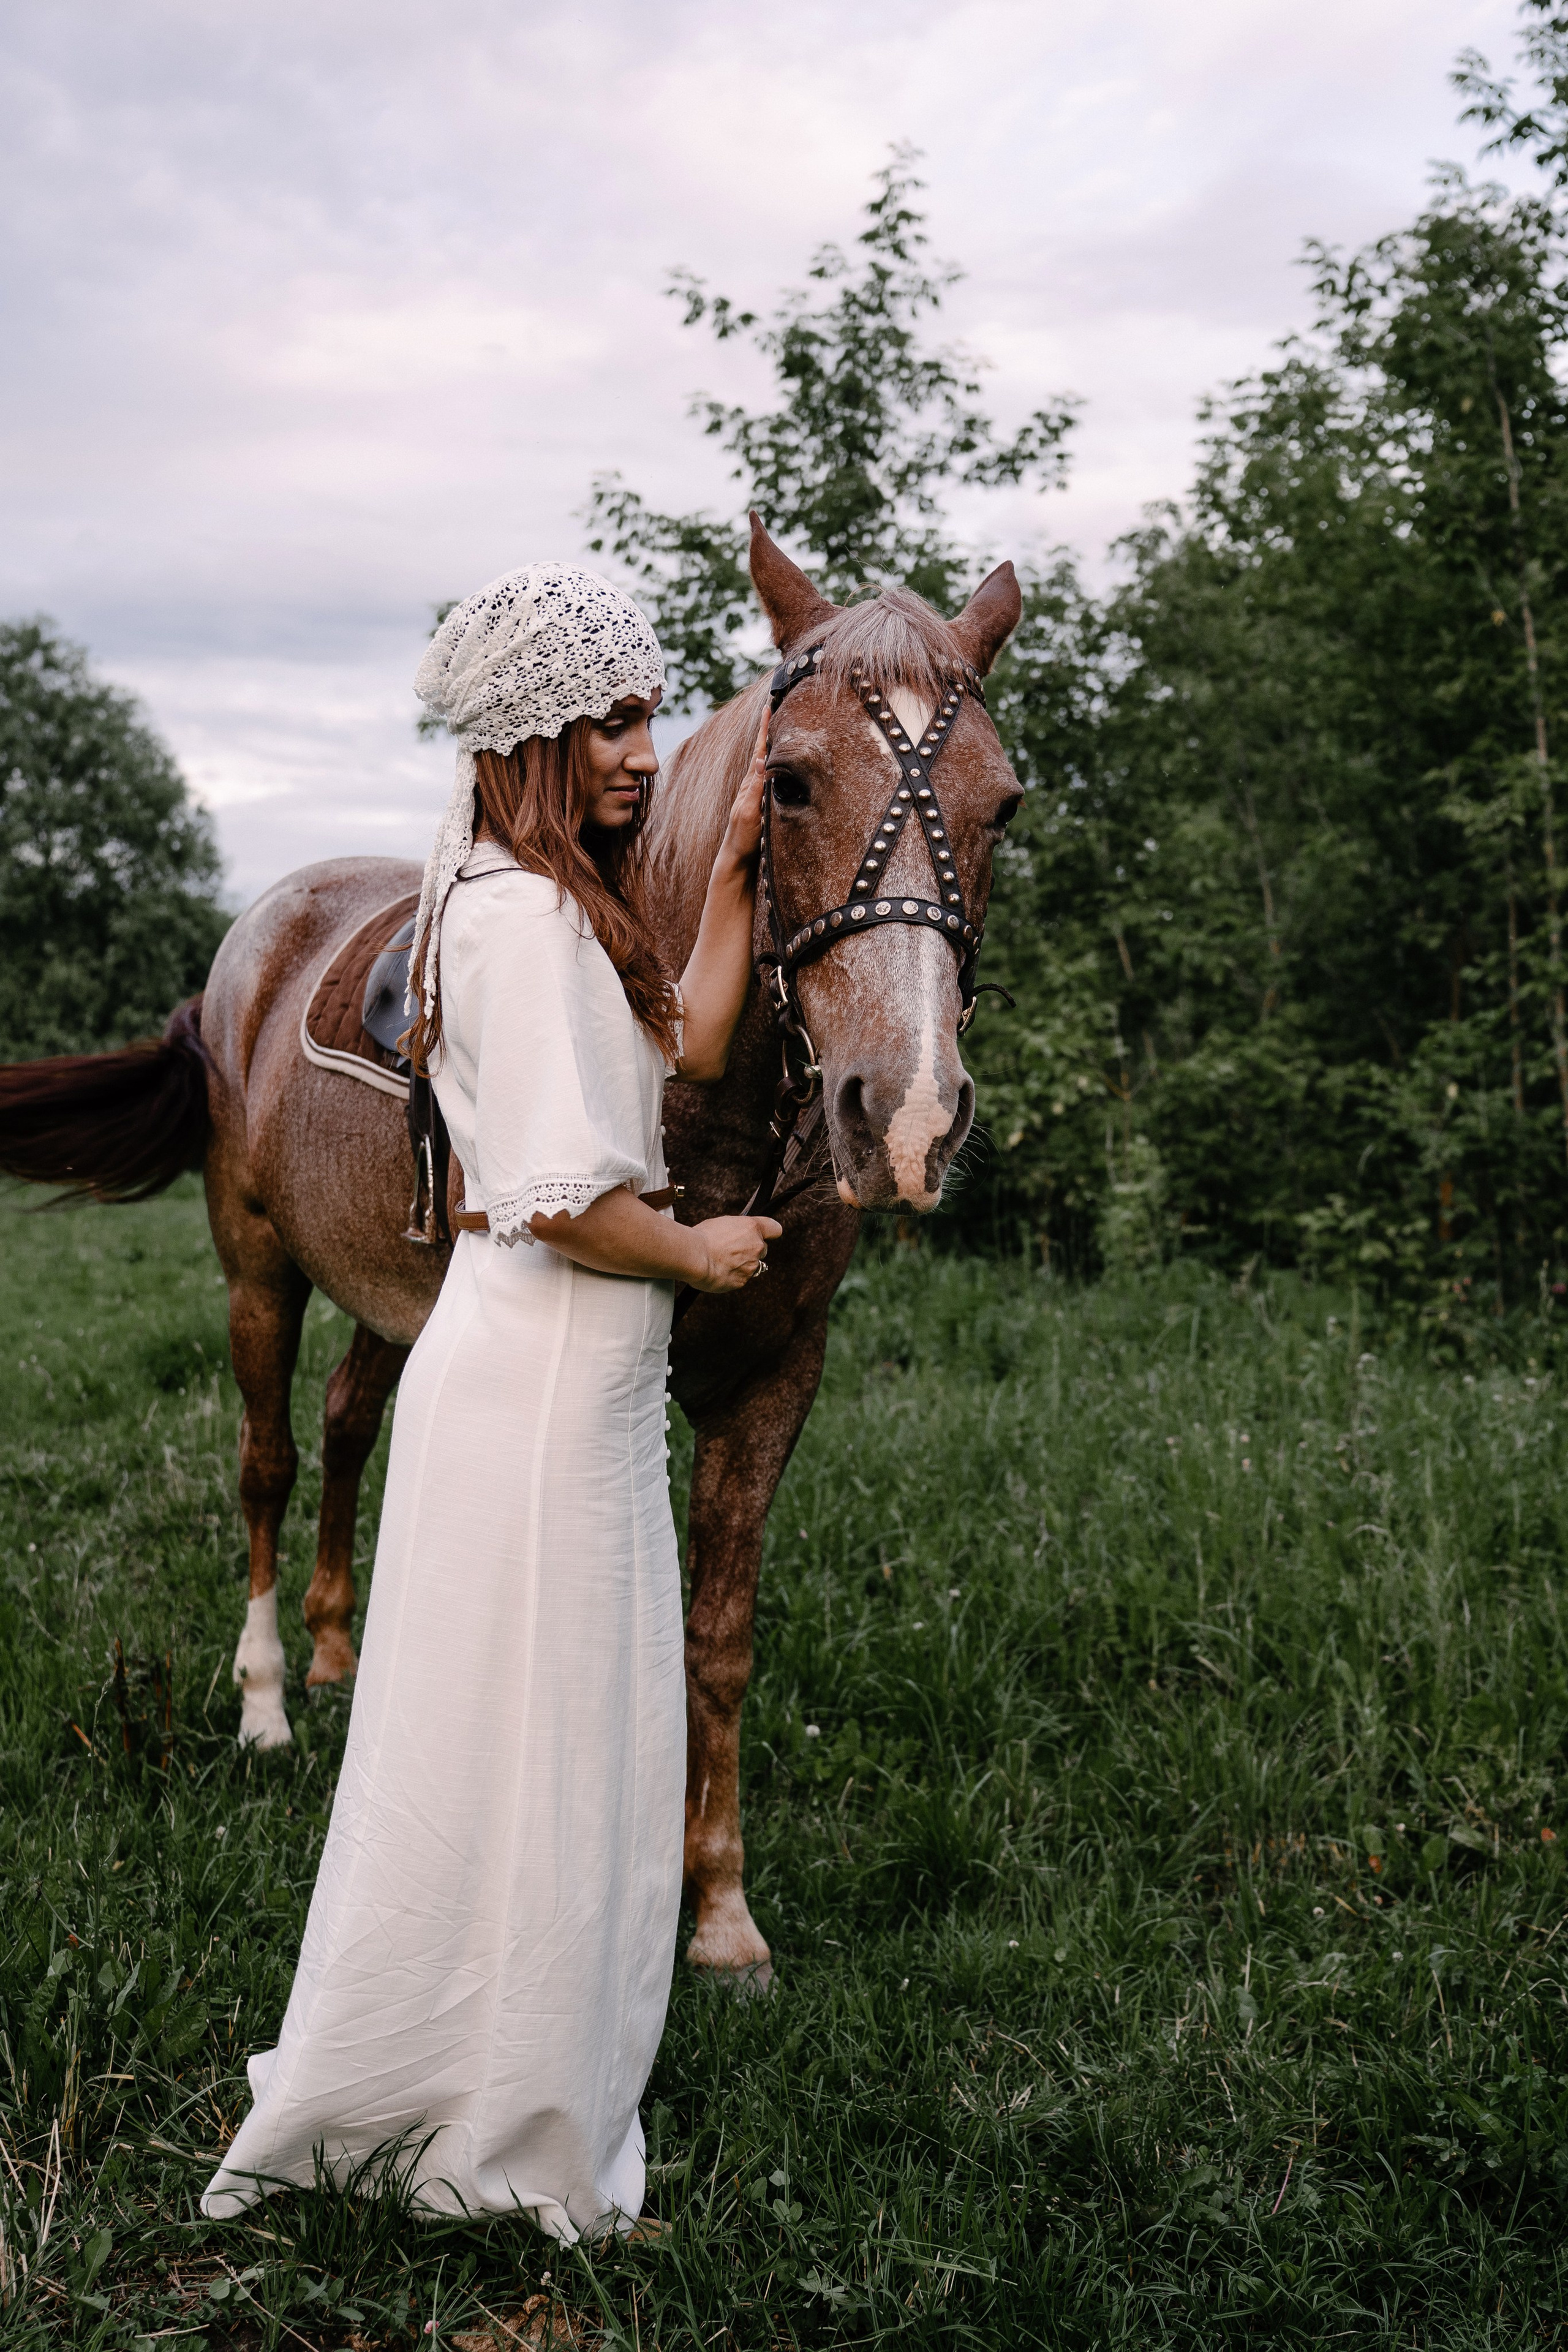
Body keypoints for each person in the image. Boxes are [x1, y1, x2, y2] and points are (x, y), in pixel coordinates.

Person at [201, 565, 779, 2237]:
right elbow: (554, 1196)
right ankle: (509, 2130)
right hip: (536, 1381)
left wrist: (730, 870)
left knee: (553, 1751)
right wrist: (701, 1246)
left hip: (569, 1390)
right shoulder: (519, 921)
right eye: (604, 719)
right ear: (527, 730)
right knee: (537, 1757)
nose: (635, 749)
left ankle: (492, 2074)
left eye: (645, 713)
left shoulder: (548, 904)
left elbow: (686, 1042)